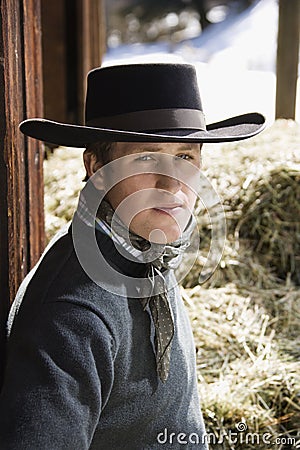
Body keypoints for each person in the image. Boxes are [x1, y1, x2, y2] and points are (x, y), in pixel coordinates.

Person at [0, 63, 265, 449]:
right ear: (97, 169)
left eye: (186, 158)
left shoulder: (146, 248)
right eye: (146, 158)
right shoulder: (72, 315)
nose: (173, 183)